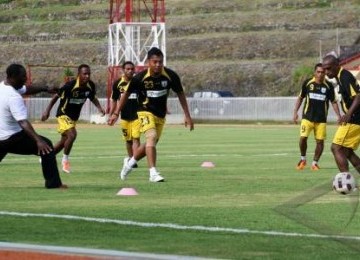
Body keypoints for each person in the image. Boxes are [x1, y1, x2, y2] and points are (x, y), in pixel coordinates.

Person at [108, 47, 194, 182]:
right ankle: (153, 173)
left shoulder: (171, 76)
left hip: (160, 115)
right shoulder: (139, 78)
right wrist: (116, 113)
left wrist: (187, 115)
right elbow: (126, 94)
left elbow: (180, 94)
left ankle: (129, 163)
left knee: (150, 143)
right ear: (148, 62)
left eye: (160, 62)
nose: (158, 65)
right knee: (151, 136)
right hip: (144, 111)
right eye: (155, 62)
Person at [0, 64, 66, 189]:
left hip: (1, 136)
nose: (25, 78)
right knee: (47, 147)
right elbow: (23, 122)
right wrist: (38, 141)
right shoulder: (13, 96)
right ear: (13, 77)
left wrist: (45, 88)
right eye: (23, 76)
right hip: (12, 138)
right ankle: (54, 185)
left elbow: (26, 89)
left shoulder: (3, 86)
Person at [41, 64, 105, 173]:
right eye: (85, 74)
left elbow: (92, 97)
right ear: (79, 74)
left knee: (64, 141)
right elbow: (56, 96)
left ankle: (46, 156)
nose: (87, 76)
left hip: (73, 117)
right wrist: (47, 111)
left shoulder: (90, 86)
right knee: (72, 134)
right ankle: (65, 160)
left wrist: (99, 107)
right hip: (63, 114)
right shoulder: (70, 85)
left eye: (89, 74)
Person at [293, 63, 341, 170]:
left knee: (320, 142)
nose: (320, 74)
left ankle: (314, 163)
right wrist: (295, 112)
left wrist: (339, 115)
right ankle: (303, 159)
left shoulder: (328, 86)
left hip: (321, 119)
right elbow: (300, 98)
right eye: (318, 72)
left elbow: (333, 102)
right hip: (307, 117)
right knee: (303, 138)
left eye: (322, 72)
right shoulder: (308, 83)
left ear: (325, 73)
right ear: (314, 72)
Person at [322, 54, 360, 175]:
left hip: (355, 118)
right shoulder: (339, 76)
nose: (326, 72)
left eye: (328, 68)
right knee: (347, 151)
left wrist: (348, 114)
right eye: (324, 69)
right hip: (355, 118)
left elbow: (358, 97)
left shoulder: (345, 76)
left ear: (337, 65)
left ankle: (346, 181)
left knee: (336, 147)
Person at [109, 61, 140, 168]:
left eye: (132, 69)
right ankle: (131, 158)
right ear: (123, 70)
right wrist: (112, 114)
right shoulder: (117, 83)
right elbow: (114, 100)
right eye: (128, 69)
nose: (130, 71)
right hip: (124, 116)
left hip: (137, 115)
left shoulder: (138, 82)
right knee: (128, 140)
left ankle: (134, 161)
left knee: (136, 138)